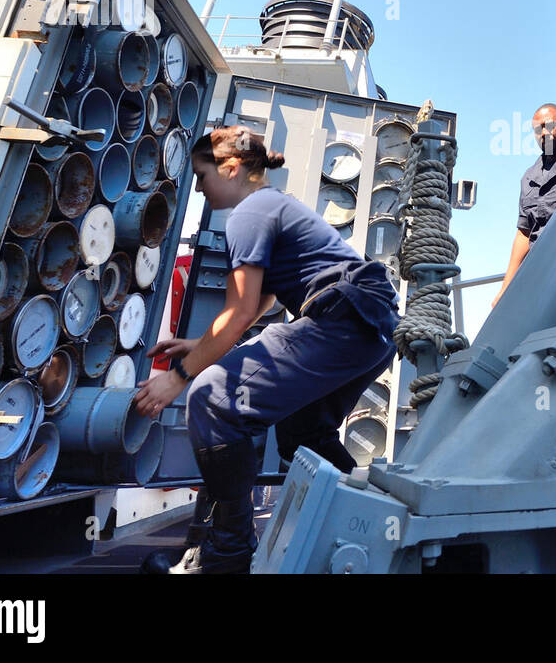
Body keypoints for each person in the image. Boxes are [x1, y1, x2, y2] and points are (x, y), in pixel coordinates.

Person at [132, 125, 398, 573]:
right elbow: (262, 302)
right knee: (304, 436)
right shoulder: (277, 204)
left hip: (342, 319)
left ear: (231, 168)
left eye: (202, 176)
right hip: (369, 327)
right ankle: (370, 528)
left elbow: (237, 314)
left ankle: (226, 556)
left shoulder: (249, 213)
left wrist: (177, 378)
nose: (198, 187)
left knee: (212, 398)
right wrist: (201, 343)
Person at [492, 103, 556, 307]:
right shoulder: (529, 177)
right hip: (537, 274)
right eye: (537, 129)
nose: (543, 133)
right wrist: (504, 288)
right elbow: (524, 233)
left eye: (549, 125)